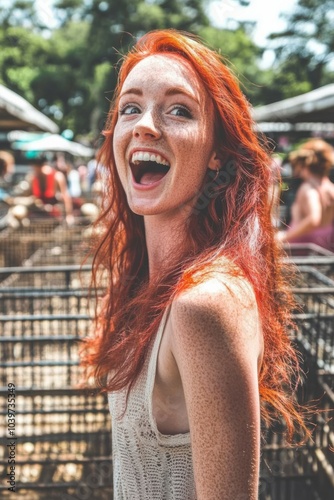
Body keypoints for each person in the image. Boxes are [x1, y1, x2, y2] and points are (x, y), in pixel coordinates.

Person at [82, 30, 309, 499]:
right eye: (130, 107)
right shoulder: (146, 278)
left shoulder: (204, 304)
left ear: (217, 155)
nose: (144, 125)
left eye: (179, 110)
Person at [278, 139, 334, 250]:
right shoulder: (330, 188)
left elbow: (313, 219)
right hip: (324, 246)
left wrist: (283, 237)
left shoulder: (308, 188)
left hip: (303, 247)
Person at [27, 156, 74, 225]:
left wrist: (69, 215)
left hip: (55, 210)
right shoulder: (33, 177)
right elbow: (33, 196)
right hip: (41, 210)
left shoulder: (57, 176)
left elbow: (65, 196)